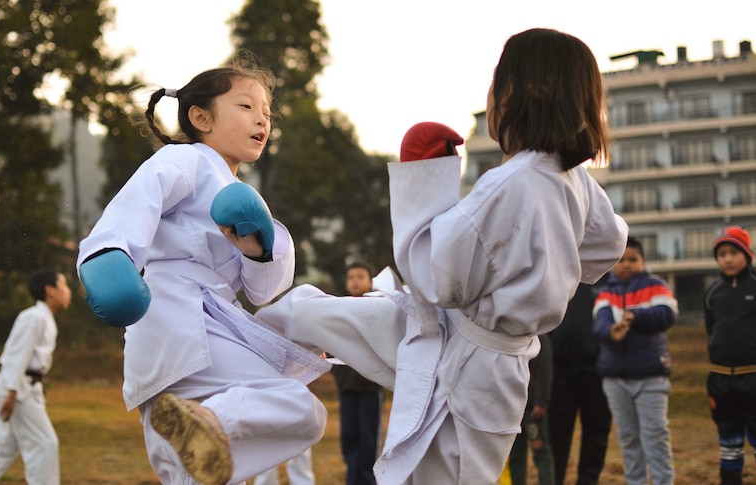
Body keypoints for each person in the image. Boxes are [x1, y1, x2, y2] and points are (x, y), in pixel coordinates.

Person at [256, 27, 628, 484]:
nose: (491, 95)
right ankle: (233, 373)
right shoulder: (574, 182)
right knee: (318, 312)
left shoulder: (513, 182)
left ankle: (230, 372)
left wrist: (424, 181)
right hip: (484, 353)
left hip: (471, 361)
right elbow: (608, 246)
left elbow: (436, 279)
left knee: (443, 477)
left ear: (525, 91)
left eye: (497, 82)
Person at [76, 56, 330, 485]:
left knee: (203, 474)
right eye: (247, 107)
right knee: (300, 409)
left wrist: (258, 249)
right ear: (200, 117)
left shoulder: (243, 194)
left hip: (206, 332)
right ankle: (212, 420)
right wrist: (108, 257)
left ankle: (205, 422)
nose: (262, 120)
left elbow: (263, 290)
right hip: (177, 314)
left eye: (267, 113)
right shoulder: (185, 160)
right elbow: (139, 202)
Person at [0, 269, 72, 485]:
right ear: (49, 290)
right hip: (19, 391)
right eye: (64, 286)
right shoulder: (33, 317)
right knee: (44, 444)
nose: (68, 292)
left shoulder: (44, 318)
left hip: (24, 389)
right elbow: (16, 355)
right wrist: (11, 391)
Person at [593, 236, 677, 485]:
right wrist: (611, 331)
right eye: (621, 260)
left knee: (656, 436)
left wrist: (634, 316)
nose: (626, 264)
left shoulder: (656, 286)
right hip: (615, 379)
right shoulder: (605, 292)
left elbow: (667, 314)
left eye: (633, 259)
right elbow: (599, 324)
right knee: (628, 438)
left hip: (651, 376)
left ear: (643, 261)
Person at [704, 226, 756, 485]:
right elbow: (710, 329)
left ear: (747, 254)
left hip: (753, 377)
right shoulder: (713, 293)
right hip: (721, 380)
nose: (727, 258)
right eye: (722, 253)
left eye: (733, 252)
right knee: (729, 443)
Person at [548, 281, 612, 485]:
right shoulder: (558, 275)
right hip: (558, 372)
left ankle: (588, 480)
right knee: (556, 433)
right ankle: (553, 479)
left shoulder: (606, 280)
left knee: (596, 431)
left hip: (596, 371)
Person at [332, 262, 383, 485]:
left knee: (367, 444)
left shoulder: (379, 309)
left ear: (370, 282)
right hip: (347, 390)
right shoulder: (340, 310)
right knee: (349, 440)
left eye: (360, 276)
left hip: (370, 389)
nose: (354, 280)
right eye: (351, 276)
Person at [507, 333, 555, 485]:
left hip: (533, 409)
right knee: (515, 454)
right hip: (514, 409)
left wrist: (541, 401)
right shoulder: (511, 336)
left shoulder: (540, 338)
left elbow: (545, 371)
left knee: (540, 452)